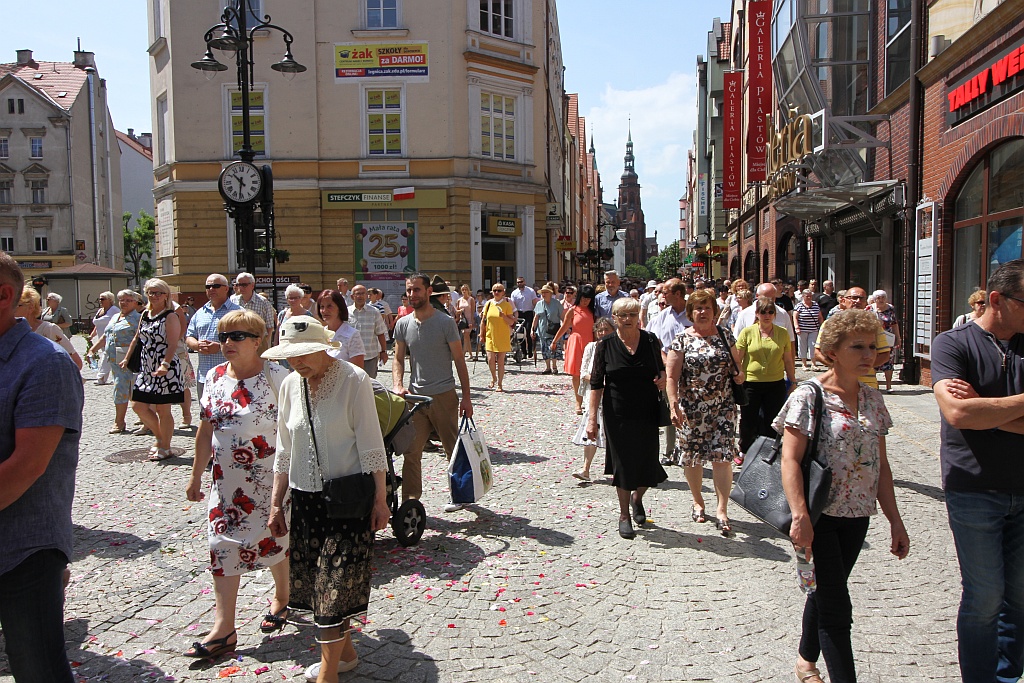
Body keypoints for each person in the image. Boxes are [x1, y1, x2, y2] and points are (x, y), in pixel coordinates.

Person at [777, 309, 909, 683]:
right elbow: (790, 459)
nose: (869, 354)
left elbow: (880, 465)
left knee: (825, 590)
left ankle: (805, 661)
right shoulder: (809, 395)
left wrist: (895, 520)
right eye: (858, 347)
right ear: (833, 352)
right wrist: (800, 516)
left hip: (858, 515)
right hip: (819, 515)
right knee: (837, 605)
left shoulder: (872, 399)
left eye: (872, 346)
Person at [264, 316, 390, 682]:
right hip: (305, 502)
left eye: (304, 354)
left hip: (347, 503)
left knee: (333, 590)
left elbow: (371, 445)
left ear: (325, 348)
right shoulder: (289, 385)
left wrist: (381, 500)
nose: (297, 362)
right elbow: (284, 451)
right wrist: (276, 504)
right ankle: (345, 654)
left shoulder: (354, 379)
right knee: (318, 590)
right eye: (291, 355)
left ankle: (328, 674)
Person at [931, 259, 1024, 683]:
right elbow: (956, 412)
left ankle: (1007, 676)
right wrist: (977, 412)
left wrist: (983, 409)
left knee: (1020, 598)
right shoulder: (953, 344)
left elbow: (971, 412)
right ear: (996, 300)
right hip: (974, 487)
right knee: (985, 597)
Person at [183, 310, 290, 660]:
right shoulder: (214, 376)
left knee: (274, 542)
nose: (227, 343)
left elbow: (296, 432)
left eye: (237, 336)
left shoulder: (278, 377)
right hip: (226, 482)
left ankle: (283, 596)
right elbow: (206, 427)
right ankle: (224, 628)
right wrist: (196, 474)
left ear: (258, 341)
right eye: (224, 335)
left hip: (271, 480)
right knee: (221, 545)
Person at [0, 252, 85, 683]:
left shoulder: (45, 362)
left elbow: (23, 468)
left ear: (4, 295)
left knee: (38, 670)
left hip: (23, 550)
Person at [586, 297, 667, 539]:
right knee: (622, 463)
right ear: (615, 318)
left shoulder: (651, 340)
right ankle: (624, 515)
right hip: (617, 412)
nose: (628, 319)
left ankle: (637, 498)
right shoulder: (605, 344)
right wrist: (592, 418)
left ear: (638, 317)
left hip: (647, 410)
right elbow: (595, 383)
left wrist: (663, 377)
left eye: (632, 315)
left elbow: (662, 368)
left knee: (648, 462)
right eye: (623, 315)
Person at [392, 274, 474, 511]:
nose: (412, 295)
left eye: (417, 290)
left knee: (452, 448)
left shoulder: (445, 322)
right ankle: (410, 502)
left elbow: (459, 360)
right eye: (409, 290)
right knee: (411, 451)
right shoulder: (403, 324)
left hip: (444, 396)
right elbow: (398, 358)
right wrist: (398, 384)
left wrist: (466, 397)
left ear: (428, 292)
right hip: (415, 398)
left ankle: (459, 495)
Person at [666, 289, 743, 536]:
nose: (702, 312)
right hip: (692, 409)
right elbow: (671, 376)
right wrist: (673, 404)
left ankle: (722, 509)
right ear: (690, 313)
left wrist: (740, 375)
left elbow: (737, 367)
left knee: (722, 457)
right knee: (693, 458)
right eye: (698, 308)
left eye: (707, 307)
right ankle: (698, 500)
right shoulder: (681, 340)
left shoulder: (725, 335)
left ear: (714, 311)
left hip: (723, 407)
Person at [125, 278, 184, 461]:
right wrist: (127, 358)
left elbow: (173, 343)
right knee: (138, 405)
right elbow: (137, 338)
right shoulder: (145, 314)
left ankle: (165, 446)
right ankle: (160, 437)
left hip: (165, 367)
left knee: (162, 409)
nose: (154, 296)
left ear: (166, 295)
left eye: (158, 292)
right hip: (146, 368)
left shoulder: (170, 316)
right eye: (151, 292)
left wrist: (165, 364)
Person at [735, 297, 796, 463]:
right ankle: (745, 450)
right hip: (751, 383)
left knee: (773, 420)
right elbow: (738, 358)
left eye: (770, 312)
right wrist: (737, 376)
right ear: (757, 314)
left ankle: (770, 451)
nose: (767, 315)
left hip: (775, 383)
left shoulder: (782, 333)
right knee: (748, 419)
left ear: (775, 314)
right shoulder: (747, 332)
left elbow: (788, 359)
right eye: (763, 312)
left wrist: (793, 380)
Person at [647, 279, 692, 465]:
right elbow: (653, 341)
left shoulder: (693, 315)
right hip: (668, 371)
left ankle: (690, 449)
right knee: (672, 408)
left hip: (691, 371)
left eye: (665, 293)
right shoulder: (662, 317)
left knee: (691, 409)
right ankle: (671, 450)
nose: (661, 296)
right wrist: (665, 363)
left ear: (678, 294)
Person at [815, 287, 890, 389]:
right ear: (843, 300)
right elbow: (818, 352)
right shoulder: (830, 324)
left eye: (861, 298)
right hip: (838, 383)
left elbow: (885, 354)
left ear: (866, 303)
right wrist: (841, 368)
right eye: (854, 298)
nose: (858, 301)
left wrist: (863, 367)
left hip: (868, 385)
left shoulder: (874, 325)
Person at [571, 317, 616, 483]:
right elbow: (583, 373)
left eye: (607, 330)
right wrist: (599, 380)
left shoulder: (618, 348)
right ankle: (585, 468)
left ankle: (620, 469)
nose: (603, 333)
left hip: (613, 396)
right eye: (600, 330)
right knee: (591, 431)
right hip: (594, 396)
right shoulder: (591, 347)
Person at [187, 274, 242, 399]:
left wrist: (219, 347)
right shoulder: (200, 313)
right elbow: (189, 336)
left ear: (226, 288)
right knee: (205, 416)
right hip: (204, 376)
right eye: (208, 286)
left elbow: (246, 341)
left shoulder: (238, 312)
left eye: (216, 286)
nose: (211, 289)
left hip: (230, 375)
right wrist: (196, 345)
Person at [94, 290, 142, 434]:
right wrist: (93, 349)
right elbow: (106, 335)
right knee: (122, 389)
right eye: (121, 300)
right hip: (115, 361)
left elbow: (141, 339)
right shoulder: (115, 316)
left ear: (135, 302)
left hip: (131, 361)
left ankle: (132, 420)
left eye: (128, 300)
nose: (124, 303)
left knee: (129, 389)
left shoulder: (138, 318)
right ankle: (127, 421)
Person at [551, 284, 597, 415]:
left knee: (589, 373)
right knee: (576, 374)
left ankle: (589, 400)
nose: (585, 301)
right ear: (579, 297)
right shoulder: (573, 310)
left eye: (588, 299)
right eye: (583, 298)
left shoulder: (592, 311)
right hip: (576, 342)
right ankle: (578, 402)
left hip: (589, 343)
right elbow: (564, 327)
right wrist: (555, 341)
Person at [15, 288, 84, 370]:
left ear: (31, 307)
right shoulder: (11, 331)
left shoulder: (49, 329)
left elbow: (76, 362)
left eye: (16, 305)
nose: (10, 309)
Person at [316, 289, 365, 369]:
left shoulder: (352, 335)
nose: (324, 311)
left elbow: (357, 371)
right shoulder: (319, 334)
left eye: (329, 306)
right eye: (322, 307)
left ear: (339, 308)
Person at [481, 282, 515, 391]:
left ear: (503, 292)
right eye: (494, 290)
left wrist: (504, 316)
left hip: (502, 335)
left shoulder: (507, 305)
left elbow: (511, 322)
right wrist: (481, 334)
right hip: (490, 335)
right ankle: (494, 378)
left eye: (499, 290)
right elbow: (483, 320)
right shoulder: (489, 304)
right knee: (490, 359)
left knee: (500, 361)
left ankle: (500, 384)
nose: (496, 292)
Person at [348, 285, 388, 379]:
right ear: (352, 296)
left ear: (366, 296)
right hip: (351, 357)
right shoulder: (346, 313)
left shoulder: (374, 312)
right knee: (352, 385)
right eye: (357, 294)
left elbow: (380, 333)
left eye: (363, 293)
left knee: (370, 385)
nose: (360, 296)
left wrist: (383, 352)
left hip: (370, 356)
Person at [230, 271, 277, 338]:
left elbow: (270, 327)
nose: (241, 287)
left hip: (258, 340)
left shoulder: (263, 302)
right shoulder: (233, 301)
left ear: (252, 285)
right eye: (239, 285)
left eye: (244, 285)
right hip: (238, 340)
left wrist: (266, 343)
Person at [871, 290, 901, 393]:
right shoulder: (869, 309)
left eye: (883, 297)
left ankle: (889, 385)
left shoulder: (890, 309)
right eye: (879, 298)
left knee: (888, 361)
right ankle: (874, 385)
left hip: (887, 339)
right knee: (873, 360)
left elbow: (894, 324)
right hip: (873, 339)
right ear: (875, 299)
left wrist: (898, 337)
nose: (881, 299)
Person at [532, 285, 564, 375]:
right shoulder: (539, 304)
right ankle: (548, 367)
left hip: (554, 330)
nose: (543, 294)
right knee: (544, 349)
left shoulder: (557, 303)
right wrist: (532, 329)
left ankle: (554, 367)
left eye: (545, 292)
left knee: (554, 348)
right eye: (542, 292)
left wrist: (566, 327)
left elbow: (562, 316)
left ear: (550, 293)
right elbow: (536, 317)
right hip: (542, 330)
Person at [89, 292, 118, 384]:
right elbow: (97, 324)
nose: (100, 301)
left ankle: (101, 377)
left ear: (110, 300)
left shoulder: (114, 310)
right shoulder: (100, 311)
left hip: (111, 337)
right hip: (100, 337)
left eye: (102, 299)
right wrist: (92, 335)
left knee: (107, 355)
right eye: (99, 299)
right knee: (109, 357)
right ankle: (113, 377)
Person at [793, 289, 824, 371]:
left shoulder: (815, 305)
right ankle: (804, 364)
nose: (809, 297)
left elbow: (820, 317)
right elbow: (795, 317)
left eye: (810, 296)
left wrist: (822, 326)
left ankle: (813, 364)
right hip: (802, 329)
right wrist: (797, 327)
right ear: (803, 296)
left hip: (814, 329)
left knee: (813, 346)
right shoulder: (799, 305)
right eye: (807, 296)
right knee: (802, 346)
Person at [510, 276, 539, 358]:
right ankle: (523, 352)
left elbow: (534, 302)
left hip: (529, 313)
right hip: (519, 314)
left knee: (529, 332)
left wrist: (536, 312)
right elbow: (513, 305)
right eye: (518, 282)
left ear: (524, 282)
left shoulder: (531, 291)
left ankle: (530, 351)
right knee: (520, 333)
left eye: (521, 282)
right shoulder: (514, 293)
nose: (520, 283)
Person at [455, 284, 477, 360]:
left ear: (468, 290)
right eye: (463, 290)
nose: (464, 291)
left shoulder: (471, 299)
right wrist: (459, 312)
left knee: (466, 336)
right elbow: (456, 311)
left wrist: (471, 321)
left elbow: (472, 311)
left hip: (469, 320)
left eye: (465, 289)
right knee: (466, 336)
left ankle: (464, 353)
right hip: (462, 320)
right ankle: (470, 354)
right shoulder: (459, 300)